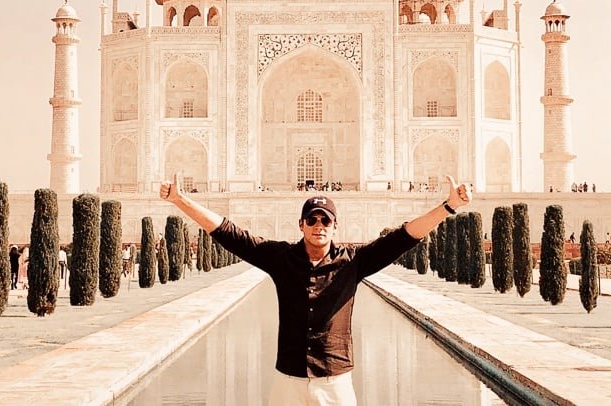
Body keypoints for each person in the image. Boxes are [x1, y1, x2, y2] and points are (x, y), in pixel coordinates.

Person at [159, 170, 472, 406]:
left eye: (325, 220)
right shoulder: (281, 259)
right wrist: (179, 200)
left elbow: (403, 237)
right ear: (302, 225)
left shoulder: (353, 262)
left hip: (334, 381)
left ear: (334, 226)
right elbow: (229, 234)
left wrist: (448, 207)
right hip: (289, 381)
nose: (319, 225)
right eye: (312, 220)